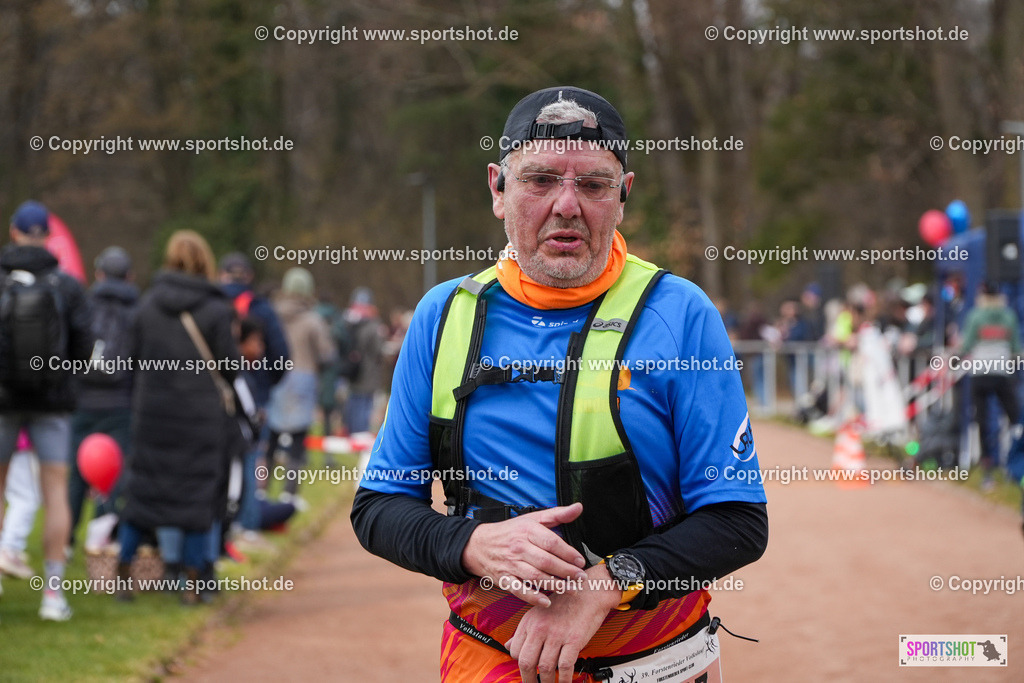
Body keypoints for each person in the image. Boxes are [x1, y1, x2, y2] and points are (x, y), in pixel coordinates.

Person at [351, 86, 768, 682]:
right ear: (498, 189)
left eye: (594, 185)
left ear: (623, 196)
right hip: (492, 659)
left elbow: (737, 521)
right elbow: (378, 509)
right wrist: (473, 546)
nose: (567, 205)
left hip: (654, 660)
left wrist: (606, 585)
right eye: (540, 179)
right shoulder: (443, 316)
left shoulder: (680, 314)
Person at [117, 230, 240, 603]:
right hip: (200, 419)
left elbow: (131, 361)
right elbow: (231, 368)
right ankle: (193, 581)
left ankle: (124, 570)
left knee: (142, 497)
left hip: (153, 415)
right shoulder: (217, 310)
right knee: (198, 498)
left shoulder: (146, 306)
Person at [0, 200, 93, 622]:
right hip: (53, 405)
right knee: (55, 492)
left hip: (2, 402)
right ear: (47, 235)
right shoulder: (67, 285)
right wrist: (61, 381)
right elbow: (85, 347)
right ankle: (53, 594)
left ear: (14, 231)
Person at [68, 246, 139, 551]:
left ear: (98, 274)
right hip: (121, 403)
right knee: (114, 473)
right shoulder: (138, 311)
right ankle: (103, 536)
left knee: (76, 472)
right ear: (130, 276)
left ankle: (66, 540)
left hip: (83, 401)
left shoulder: (83, 305)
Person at [218, 252, 290, 543]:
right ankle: (246, 524)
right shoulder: (261, 308)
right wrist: (264, 385)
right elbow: (282, 355)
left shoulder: (210, 304)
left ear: (222, 275)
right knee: (250, 456)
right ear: (249, 277)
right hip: (253, 394)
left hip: (215, 394)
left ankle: (223, 525)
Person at [265, 267, 335, 507]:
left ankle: (260, 492)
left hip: (275, 379)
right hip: (303, 380)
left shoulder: (271, 314)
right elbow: (327, 354)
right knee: (297, 442)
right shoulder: (312, 319)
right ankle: (289, 495)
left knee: (270, 440)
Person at [960, 281, 1022, 489]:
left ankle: (987, 471)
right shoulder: (1009, 316)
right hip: (1002, 374)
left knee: (983, 422)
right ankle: (1014, 464)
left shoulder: (975, 316)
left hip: (980, 374)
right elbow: (1016, 347)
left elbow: (966, 345)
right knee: (1015, 420)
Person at [341, 287, 384, 435]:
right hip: (368, 373)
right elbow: (378, 350)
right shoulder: (373, 325)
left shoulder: (348, 321)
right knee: (365, 405)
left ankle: (351, 432)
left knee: (353, 402)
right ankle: (360, 436)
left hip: (352, 371)